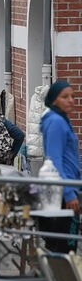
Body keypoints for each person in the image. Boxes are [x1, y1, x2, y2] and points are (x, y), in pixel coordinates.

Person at [39, 81, 80, 253]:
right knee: (66, 246)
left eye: (72, 96)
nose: (71, 100)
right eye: (65, 97)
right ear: (54, 100)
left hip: (69, 186)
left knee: (62, 243)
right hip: (64, 191)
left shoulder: (61, 119)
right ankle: (60, 279)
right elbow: (55, 160)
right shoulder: (56, 122)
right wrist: (70, 193)